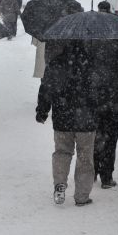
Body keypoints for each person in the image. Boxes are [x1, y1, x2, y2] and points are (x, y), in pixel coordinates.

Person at [36, 40, 99, 207]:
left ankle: (59, 184)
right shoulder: (91, 64)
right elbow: (99, 91)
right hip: (86, 120)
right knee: (85, 157)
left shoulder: (56, 64)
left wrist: (42, 111)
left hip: (62, 118)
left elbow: (45, 89)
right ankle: (82, 196)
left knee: (62, 152)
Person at [92, 1, 118, 189]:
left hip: (92, 103)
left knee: (93, 137)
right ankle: (107, 177)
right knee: (110, 140)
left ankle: (91, 171)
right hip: (113, 104)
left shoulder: (89, 51)